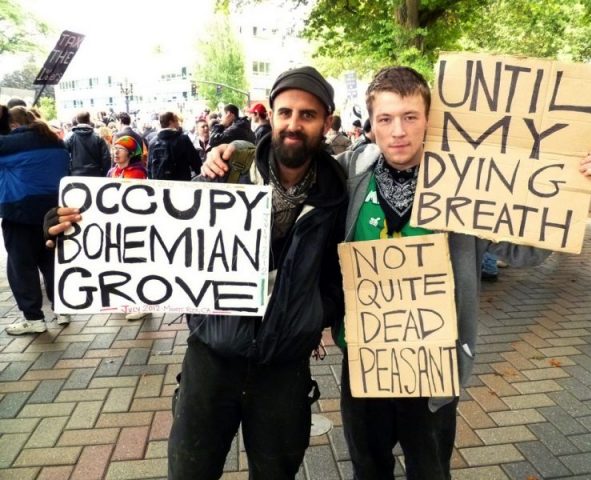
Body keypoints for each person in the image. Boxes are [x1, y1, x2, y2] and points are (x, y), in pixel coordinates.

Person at [204, 66, 591, 480]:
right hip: (365, 358)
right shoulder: (349, 172)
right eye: (385, 118)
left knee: (430, 470)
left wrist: (575, 187)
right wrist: (234, 151)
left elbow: (525, 252)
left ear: (428, 120)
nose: (398, 131)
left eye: (410, 117)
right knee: (368, 469)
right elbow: (289, 170)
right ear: (372, 123)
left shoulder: (466, 182)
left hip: (434, 362)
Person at [46, 65, 348, 480]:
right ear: (271, 116)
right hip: (211, 357)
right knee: (190, 472)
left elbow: (340, 274)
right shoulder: (227, 173)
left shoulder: (337, 192)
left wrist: (313, 312)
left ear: (326, 122)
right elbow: (157, 227)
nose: (294, 124)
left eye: (307, 115)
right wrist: (75, 225)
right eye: (285, 112)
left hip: (284, 368)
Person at [1, 106, 71, 335]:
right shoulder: (55, 140)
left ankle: (34, 318)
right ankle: (62, 309)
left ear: (13, 125)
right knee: (51, 262)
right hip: (52, 212)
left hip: (20, 213)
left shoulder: (9, 144)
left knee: (21, 267)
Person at [147, 111, 201, 180]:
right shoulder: (183, 140)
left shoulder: (152, 142)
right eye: (176, 121)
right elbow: (196, 163)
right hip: (180, 185)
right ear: (171, 122)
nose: (178, 124)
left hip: (159, 187)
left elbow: (149, 169)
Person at [65, 111, 112, 177]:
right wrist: (103, 174)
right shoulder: (98, 137)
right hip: (95, 175)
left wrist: (69, 172)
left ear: (77, 120)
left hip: (76, 175)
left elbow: (64, 157)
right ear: (89, 119)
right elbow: (106, 158)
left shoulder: (70, 138)